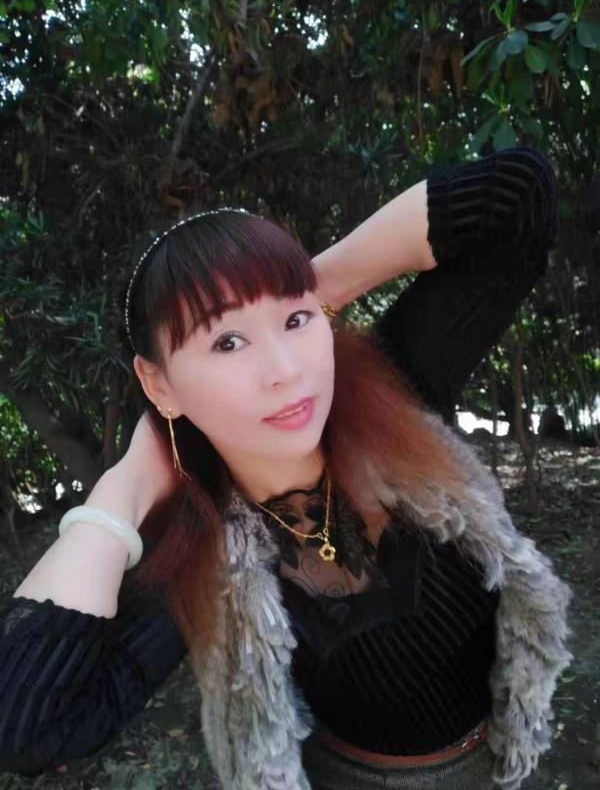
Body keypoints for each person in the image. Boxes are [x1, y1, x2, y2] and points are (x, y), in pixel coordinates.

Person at [0, 146, 573, 790]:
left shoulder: (393, 386)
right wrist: (127, 484)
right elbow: (27, 726)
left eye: (297, 321)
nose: (286, 370)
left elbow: (518, 195)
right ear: (159, 384)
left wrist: (296, 287)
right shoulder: (202, 557)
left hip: (503, 756)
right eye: (227, 341)